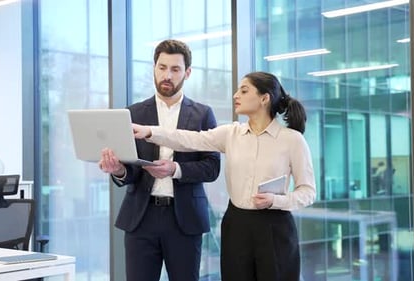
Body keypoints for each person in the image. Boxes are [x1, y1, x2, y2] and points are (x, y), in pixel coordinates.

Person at [132, 71, 317, 281]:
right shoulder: (231, 133)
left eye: (244, 90)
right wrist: (148, 132)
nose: (235, 95)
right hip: (236, 224)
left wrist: (277, 200)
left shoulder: (292, 140)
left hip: (275, 227)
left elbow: (308, 192)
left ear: (264, 98)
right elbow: (188, 139)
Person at [98, 39, 221, 281]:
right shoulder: (132, 113)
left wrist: (175, 169)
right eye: (162, 67)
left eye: (175, 69)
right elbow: (130, 170)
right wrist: (119, 169)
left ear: (187, 73)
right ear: (154, 68)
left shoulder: (202, 114)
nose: (167, 75)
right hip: (141, 219)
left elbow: (212, 167)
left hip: (184, 219)